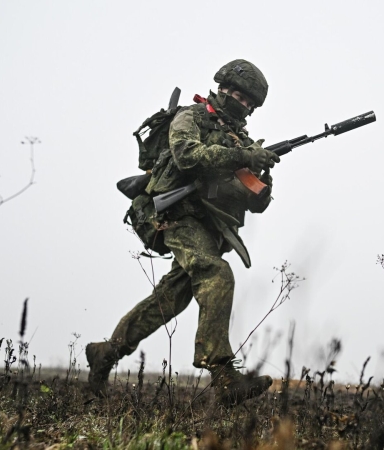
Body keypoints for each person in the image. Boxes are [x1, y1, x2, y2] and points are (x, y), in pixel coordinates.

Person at [86, 59, 280, 405]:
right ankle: (223, 374)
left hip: (209, 227)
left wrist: (262, 180)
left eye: (250, 102)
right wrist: (242, 156)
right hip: (175, 214)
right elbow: (186, 155)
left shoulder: (242, 141)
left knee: (170, 299)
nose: (243, 104)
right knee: (216, 274)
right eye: (239, 96)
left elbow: (253, 203)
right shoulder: (191, 117)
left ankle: (106, 352)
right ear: (223, 88)